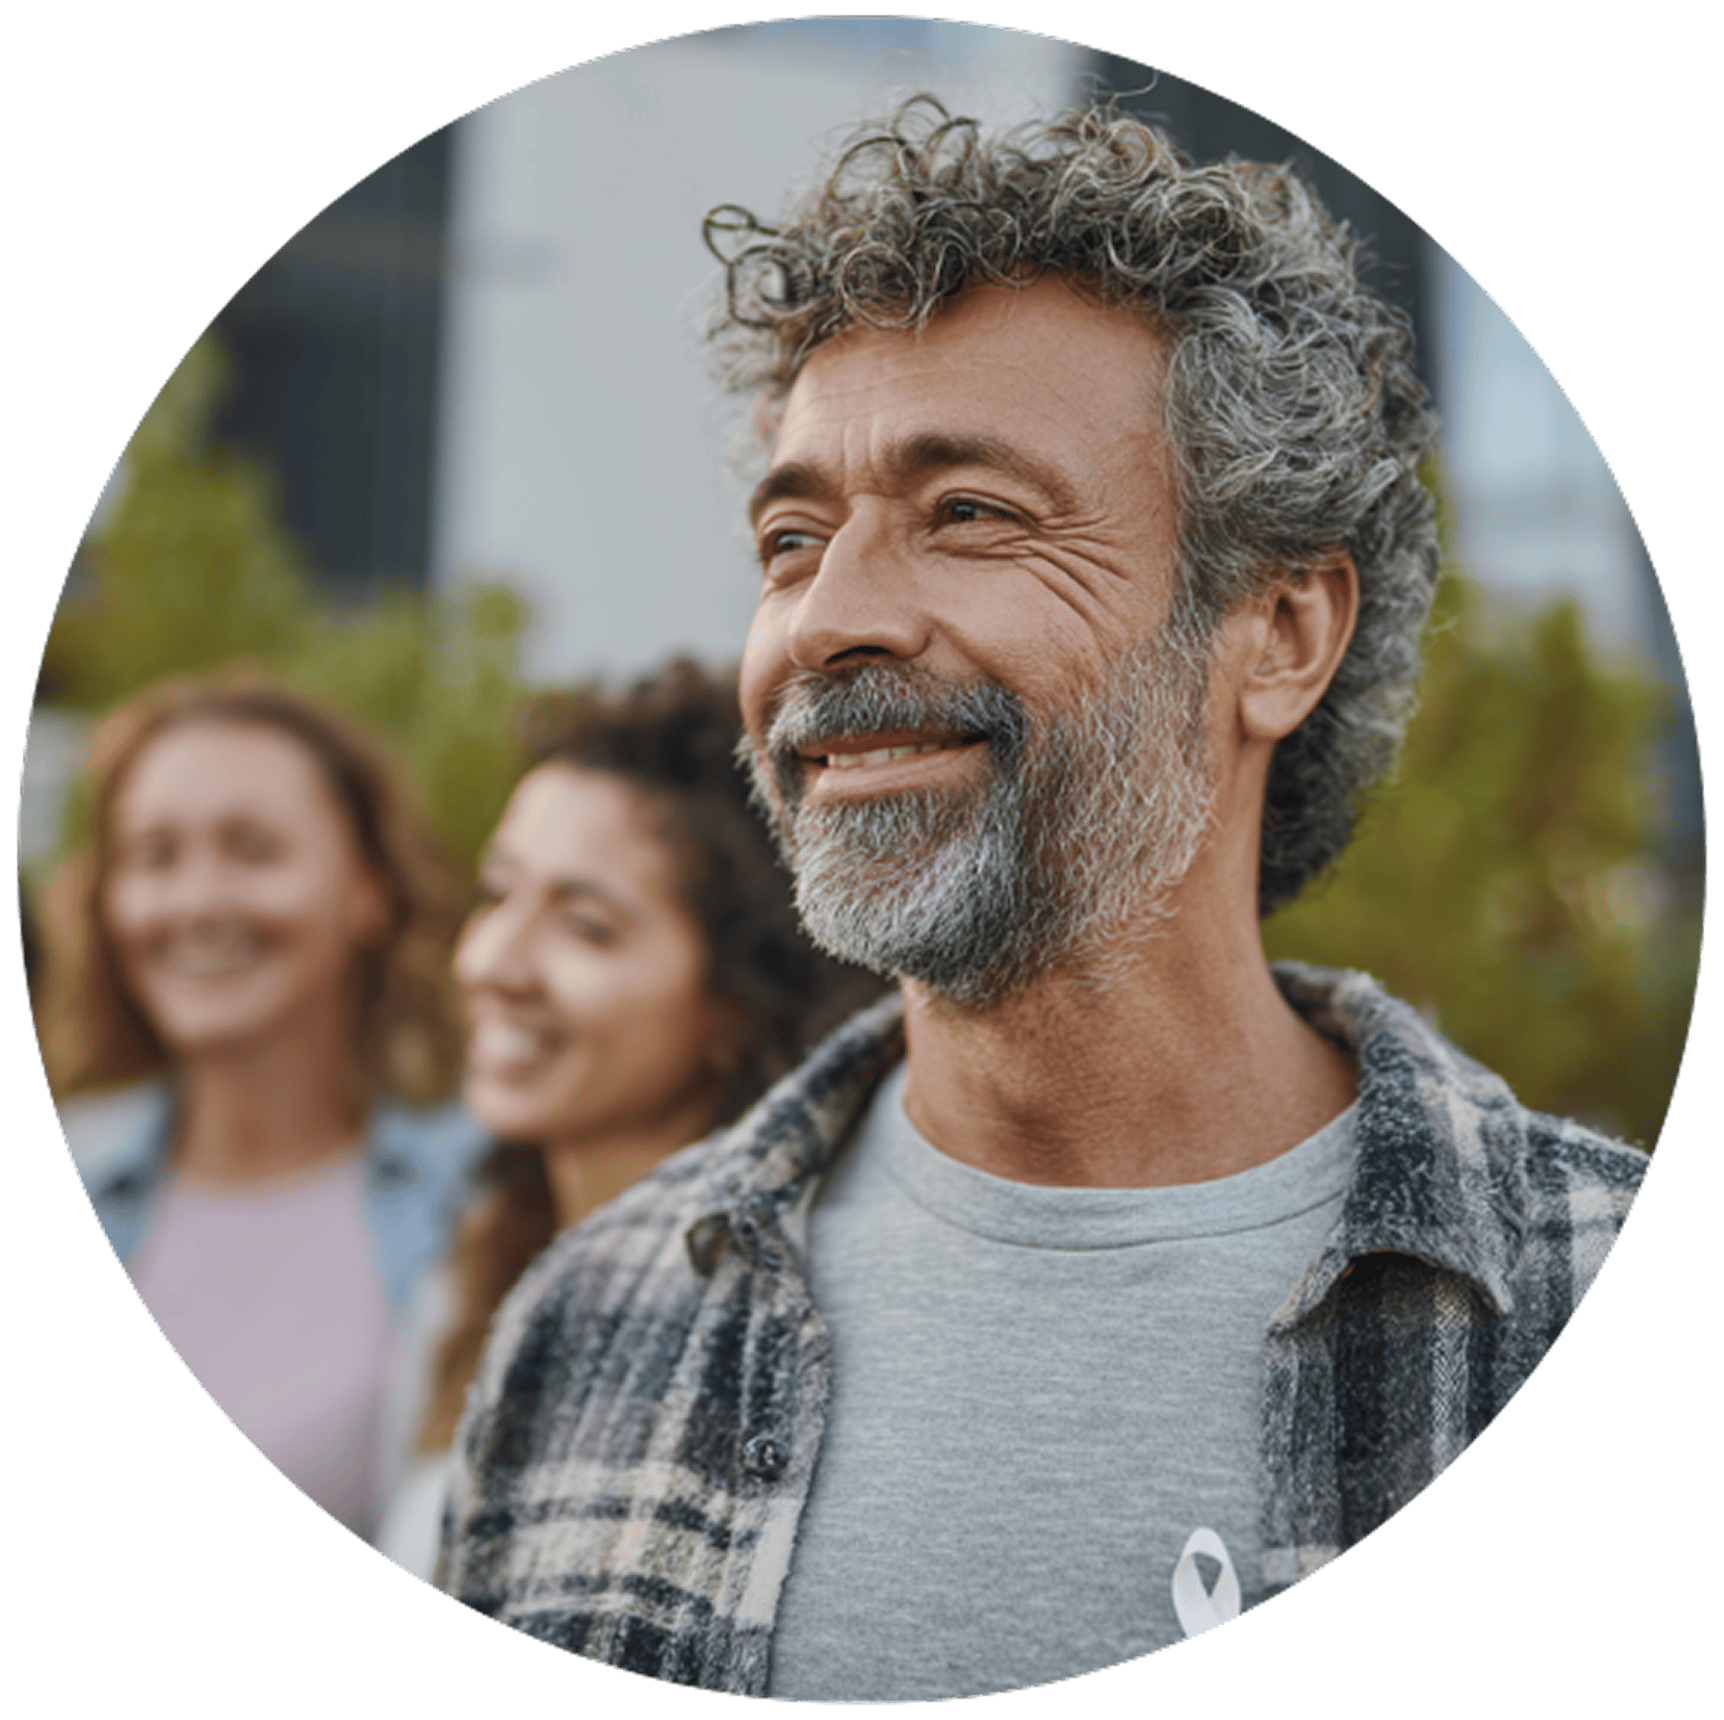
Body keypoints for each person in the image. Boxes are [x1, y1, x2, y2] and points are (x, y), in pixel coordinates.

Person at [438, 100, 1648, 1698]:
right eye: (791, 539)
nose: (828, 621)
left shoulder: (1588, 1304)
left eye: (970, 516)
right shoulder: (587, 1328)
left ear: (1280, 632)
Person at [373, 661, 881, 1580]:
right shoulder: (469, 1268)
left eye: (586, 926)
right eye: (497, 894)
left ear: (738, 1002)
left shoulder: (792, 1340)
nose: (493, 962)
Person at [41, 673, 485, 1541]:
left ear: (369, 889)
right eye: (155, 855)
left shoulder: (484, 1200)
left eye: (252, 848)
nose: (199, 901)